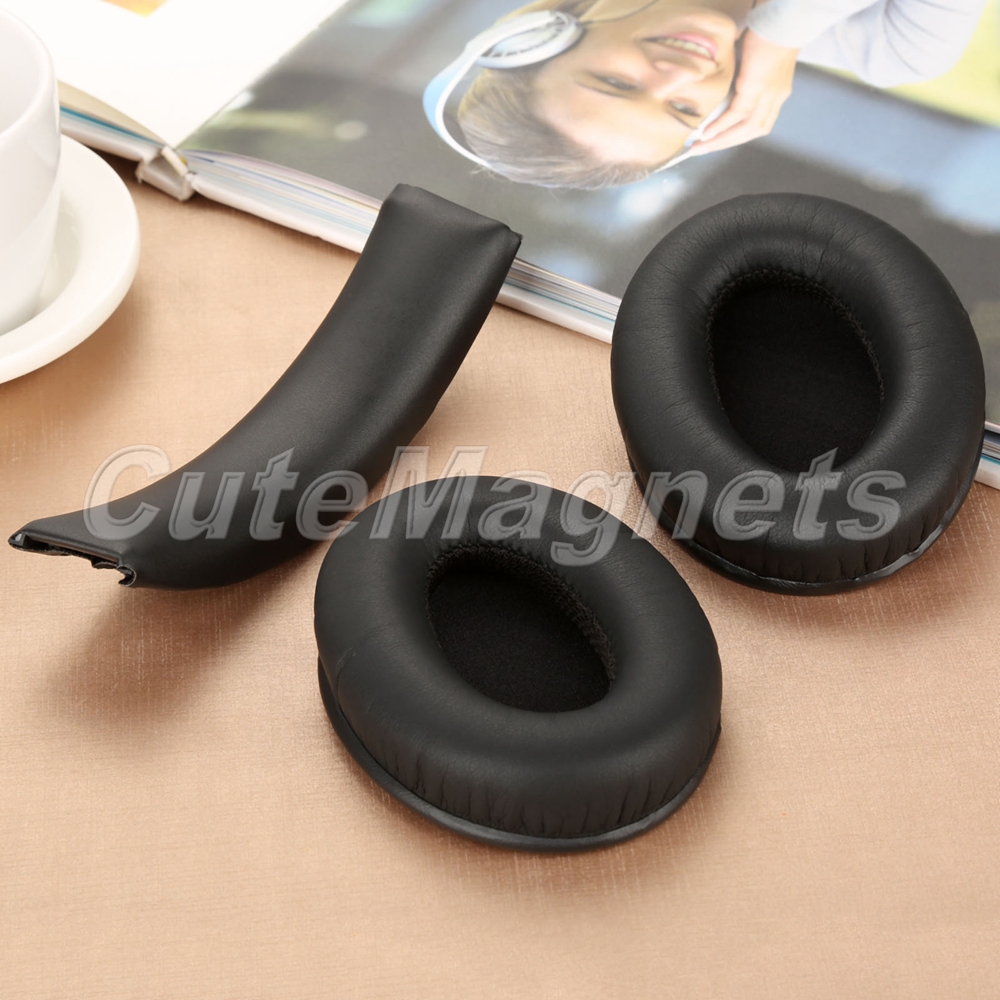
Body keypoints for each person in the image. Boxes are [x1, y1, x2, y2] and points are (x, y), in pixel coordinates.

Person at [454, 0, 988, 188]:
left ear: (548, 33)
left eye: (617, 83)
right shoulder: (891, 48)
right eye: (683, 109)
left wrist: (780, 33)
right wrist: (783, 32)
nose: (677, 76)